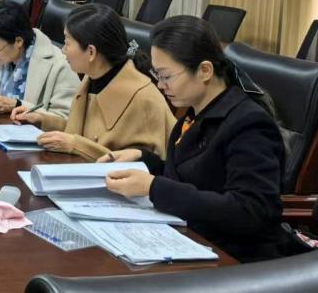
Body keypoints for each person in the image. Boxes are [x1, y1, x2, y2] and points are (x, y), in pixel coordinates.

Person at [103, 16, 291, 263]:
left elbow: (250, 211)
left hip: (234, 258)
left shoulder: (249, 124)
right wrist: (144, 159)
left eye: (166, 76)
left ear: (204, 71)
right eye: (157, 75)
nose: (160, 85)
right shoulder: (195, 111)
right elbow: (198, 175)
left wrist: (153, 187)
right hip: (190, 238)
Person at [12, 4, 175, 160]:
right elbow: (82, 132)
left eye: (67, 43)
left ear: (91, 52)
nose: (63, 50)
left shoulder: (142, 97)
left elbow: (138, 163)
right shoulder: (92, 77)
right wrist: (42, 120)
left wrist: (76, 145)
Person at [0, 2, 79, 118]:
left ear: (18, 41)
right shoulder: (0, 51)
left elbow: (65, 119)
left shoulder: (60, 65)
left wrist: (18, 106)